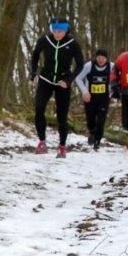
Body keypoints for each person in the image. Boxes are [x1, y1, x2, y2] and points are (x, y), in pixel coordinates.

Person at [28, 18, 84, 157]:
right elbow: (35, 56)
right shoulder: (45, 40)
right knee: (39, 109)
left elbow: (80, 64)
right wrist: (33, 73)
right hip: (46, 78)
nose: (57, 34)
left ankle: (62, 146)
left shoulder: (73, 44)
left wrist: (69, 80)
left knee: (62, 115)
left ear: (66, 30)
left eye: (60, 31)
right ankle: (42, 141)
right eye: (55, 31)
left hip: (62, 82)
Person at [74, 47, 113, 151]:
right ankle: (92, 132)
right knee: (90, 120)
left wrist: (113, 91)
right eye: (99, 57)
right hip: (90, 97)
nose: (101, 60)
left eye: (103, 58)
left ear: (106, 59)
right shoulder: (89, 66)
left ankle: (97, 141)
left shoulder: (112, 66)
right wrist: (84, 92)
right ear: (96, 57)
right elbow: (78, 78)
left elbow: (118, 78)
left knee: (101, 121)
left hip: (104, 98)